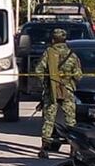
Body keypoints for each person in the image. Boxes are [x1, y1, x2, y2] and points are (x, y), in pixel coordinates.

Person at [34, 28, 83, 158]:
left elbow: (38, 70)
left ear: (53, 40)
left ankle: (44, 149)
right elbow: (78, 76)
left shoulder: (49, 53)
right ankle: (73, 150)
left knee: (49, 120)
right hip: (67, 91)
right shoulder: (72, 55)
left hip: (52, 91)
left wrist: (47, 83)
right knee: (70, 121)